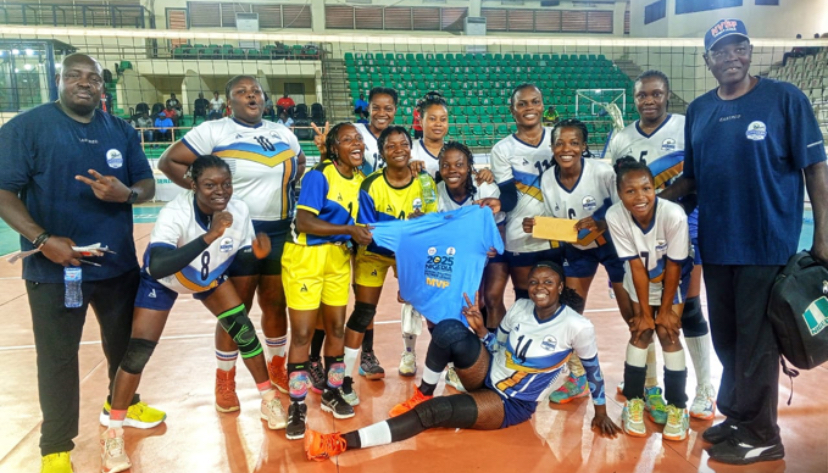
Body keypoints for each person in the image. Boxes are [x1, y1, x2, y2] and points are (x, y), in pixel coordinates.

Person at [661, 18, 828, 464]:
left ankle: (763, 434)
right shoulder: (700, 110)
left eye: (739, 48)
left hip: (765, 244)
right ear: (707, 60)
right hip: (718, 245)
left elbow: (815, 168)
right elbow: (692, 180)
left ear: (750, 52)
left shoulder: (785, 99)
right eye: (720, 51)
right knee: (729, 339)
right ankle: (738, 416)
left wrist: (825, 238)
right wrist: (649, 204)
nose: (731, 57)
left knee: (757, 342)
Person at [0, 53, 164, 473]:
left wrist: (127, 194)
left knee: (124, 346)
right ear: (59, 80)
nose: (84, 82)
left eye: (93, 77)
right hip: (55, 269)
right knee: (57, 357)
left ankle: (123, 404)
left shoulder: (120, 130)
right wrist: (43, 240)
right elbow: (3, 192)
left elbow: (146, 184)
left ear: (102, 87)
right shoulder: (26, 128)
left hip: (117, 266)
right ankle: (55, 447)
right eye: (74, 75)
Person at [304, 262, 619, 461]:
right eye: (535, 281)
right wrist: (481, 331)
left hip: (509, 402)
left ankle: (339, 442)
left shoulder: (577, 326)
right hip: (487, 372)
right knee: (448, 329)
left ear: (560, 287)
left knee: (435, 413)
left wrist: (601, 412)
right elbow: (499, 347)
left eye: (548, 282)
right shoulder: (522, 307)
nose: (539, 288)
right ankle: (423, 392)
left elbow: (593, 372)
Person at [99, 155, 286, 472]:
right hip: (165, 279)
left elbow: (240, 253)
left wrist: (255, 254)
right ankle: (113, 432)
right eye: (210, 185)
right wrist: (209, 235)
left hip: (208, 277)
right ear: (193, 184)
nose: (220, 191)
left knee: (243, 331)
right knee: (137, 353)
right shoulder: (175, 212)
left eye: (226, 184)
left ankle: (268, 401)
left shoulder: (239, 210)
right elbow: (159, 266)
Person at [158, 75, 305, 412]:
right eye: (242, 91)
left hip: (278, 231)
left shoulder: (283, 132)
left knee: (275, 304)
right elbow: (169, 161)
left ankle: (277, 366)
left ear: (264, 99)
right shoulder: (214, 131)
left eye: (256, 91)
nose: (251, 96)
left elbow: (299, 163)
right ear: (229, 102)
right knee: (235, 311)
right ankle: (225, 379)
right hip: (234, 234)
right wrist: (208, 198)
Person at [604, 70, 716, 423]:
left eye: (656, 93)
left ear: (667, 94)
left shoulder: (685, 126)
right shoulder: (621, 137)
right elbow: (615, 185)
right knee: (642, 314)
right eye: (642, 95)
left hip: (683, 225)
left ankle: (704, 388)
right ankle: (646, 386)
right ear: (634, 98)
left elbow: (697, 178)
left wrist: (660, 207)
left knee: (688, 310)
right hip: (637, 231)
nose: (649, 100)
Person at [522, 118, 629, 405]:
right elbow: (556, 221)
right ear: (552, 146)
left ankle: (642, 376)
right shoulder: (548, 179)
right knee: (569, 312)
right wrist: (537, 225)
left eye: (573, 142)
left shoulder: (602, 172)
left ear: (583, 146)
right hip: (578, 250)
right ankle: (578, 377)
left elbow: (623, 203)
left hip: (613, 246)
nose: (566, 148)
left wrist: (601, 220)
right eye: (559, 143)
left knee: (633, 314)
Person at [282, 122, 373, 440]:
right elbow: (304, 222)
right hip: (305, 258)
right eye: (348, 139)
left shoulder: (361, 180)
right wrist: (348, 230)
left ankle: (332, 392)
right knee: (303, 334)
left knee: (335, 329)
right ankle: (296, 405)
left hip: (338, 258)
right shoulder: (318, 176)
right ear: (334, 149)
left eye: (359, 138)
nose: (356, 143)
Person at [337, 126, 439, 406]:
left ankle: (444, 365)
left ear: (411, 147)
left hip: (410, 253)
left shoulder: (424, 182)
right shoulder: (370, 185)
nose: (399, 150)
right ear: (381, 153)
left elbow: (430, 226)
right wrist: (405, 230)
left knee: (431, 308)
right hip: (374, 254)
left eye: (403, 144)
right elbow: (368, 232)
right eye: (391, 146)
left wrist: (416, 232)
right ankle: (345, 377)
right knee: (364, 311)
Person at [606, 158, 692, 442]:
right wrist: (645, 314)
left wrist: (665, 311)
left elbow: (675, 265)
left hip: (671, 277)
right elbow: (635, 266)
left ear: (655, 188)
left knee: (668, 332)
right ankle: (634, 401)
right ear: (620, 194)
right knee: (641, 331)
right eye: (630, 191)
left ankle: (678, 406)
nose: (640, 196)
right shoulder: (615, 216)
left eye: (646, 188)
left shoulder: (673, 214)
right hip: (639, 276)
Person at [434, 141, 505, 390]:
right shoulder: (435, 192)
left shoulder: (485, 187)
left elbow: (499, 224)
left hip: (483, 257)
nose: (452, 170)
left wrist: (492, 244)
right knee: (452, 308)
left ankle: (492, 356)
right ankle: (456, 365)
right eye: (446, 165)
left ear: (470, 167)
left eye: (459, 164)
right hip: (453, 258)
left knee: (486, 301)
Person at [491, 83, 561, 306]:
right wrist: (498, 204)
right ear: (512, 110)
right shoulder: (502, 149)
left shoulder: (559, 140)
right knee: (525, 300)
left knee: (560, 301)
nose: (529, 107)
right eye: (522, 104)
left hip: (558, 234)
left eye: (535, 102)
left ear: (542, 106)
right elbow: (509, 197)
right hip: (521, 236)